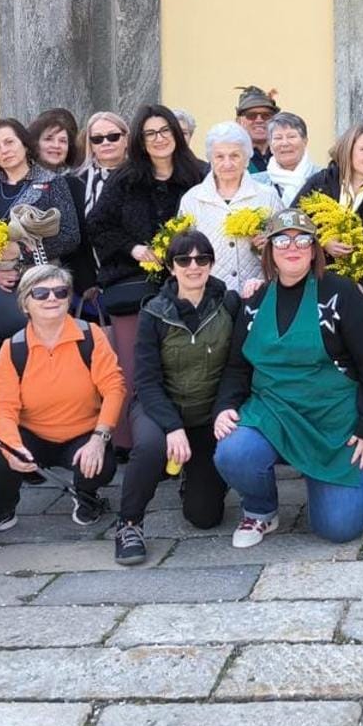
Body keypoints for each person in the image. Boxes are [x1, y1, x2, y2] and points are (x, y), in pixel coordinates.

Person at [213, 209, 363, 546]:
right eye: (282, 240)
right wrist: (225, 407)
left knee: (339, 529)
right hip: (273, 413)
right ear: (269, 251)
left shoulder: (342, 294)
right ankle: (261, 510)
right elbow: (237, 367)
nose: (292, 247)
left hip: (333, 423)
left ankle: (319, 477)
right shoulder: (254, 302)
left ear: (314, 249)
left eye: (302, 240)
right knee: (233, 452)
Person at [0, 264, 127, 540]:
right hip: (33, 434)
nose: (52, 298)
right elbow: (3, 406)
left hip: (82, 433)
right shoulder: (13, 347)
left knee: (101, 465)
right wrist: (13, 447)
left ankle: (87, 494)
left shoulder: (90, 336)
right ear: (25, 303)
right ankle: (3, 508)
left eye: (60, 292)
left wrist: (99, 438)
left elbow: (114, 387)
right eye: (40, 293)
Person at [0, 118, 81, 481]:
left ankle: (32, 456)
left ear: (24, 143)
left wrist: (25, 247)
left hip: (39, 295)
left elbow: (71, 236)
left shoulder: (51, 182)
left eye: (9, 142)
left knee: (34, 379)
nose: (5, 151)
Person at [115, 229, 242, 564]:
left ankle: (194, 477)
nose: (193, 266)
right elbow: (146, 380)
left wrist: (224, 409)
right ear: (171, 267)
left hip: (207, 414)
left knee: (204, 517)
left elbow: (236, 368)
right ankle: (129, 524)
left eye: (202, 259)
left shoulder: (229, 304)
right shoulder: (154, 312)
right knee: (149, 447)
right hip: (159, 410)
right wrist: (172, 427)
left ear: (211, 264)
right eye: (184, 260)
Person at [86, 105, 208, 390]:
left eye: (165, 130)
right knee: (135, 373)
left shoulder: (201, 174)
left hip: (190, 286)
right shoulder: (125, 178)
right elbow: (97, 225)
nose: (159, 138)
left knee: (187, 371)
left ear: (176, 133)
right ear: (140, 140)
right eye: (150, 133)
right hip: (134, 287)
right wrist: (134, 249)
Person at [296, 123, 363, 334]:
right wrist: (322, 242)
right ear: (348, 150)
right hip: (318, 291)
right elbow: (292, 225)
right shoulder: (320, 183)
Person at [179, 122, 285, 298]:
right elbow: (182, 253)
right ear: (210, 159)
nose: (227, 163)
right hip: (209, 297)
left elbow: (286, 244)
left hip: (259, 294)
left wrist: (268, 246)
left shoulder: (268, 196)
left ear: (247, 158)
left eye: (235, 155)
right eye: (219, 156)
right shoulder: (192, 199)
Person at [68, 110, 132, 307]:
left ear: (126, 139)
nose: (106, 143)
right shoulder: (75, 183)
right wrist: (87, 283)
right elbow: (74, 238)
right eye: (97, 139)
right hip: (92, 287)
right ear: (90, 145)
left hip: (138, 279)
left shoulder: (144, 177)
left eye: (113, 136)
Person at [256, 112, 319, 205]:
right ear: (270, 145)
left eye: (291, 136)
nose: (284, 143)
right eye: (278, 138)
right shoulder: (256, 183)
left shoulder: (324, 179)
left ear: (305, 141)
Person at [235, 85, 280, 173]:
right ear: (239, 121)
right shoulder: (230, 159)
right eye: (251, 115)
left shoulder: (286, 154)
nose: (259, 120)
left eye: (266, 115)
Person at [29, 108, 84, 174]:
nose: (56, 145)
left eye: (62, 141)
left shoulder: (78, 177)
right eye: (48, 139)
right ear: (36, 143)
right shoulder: (23, 176)